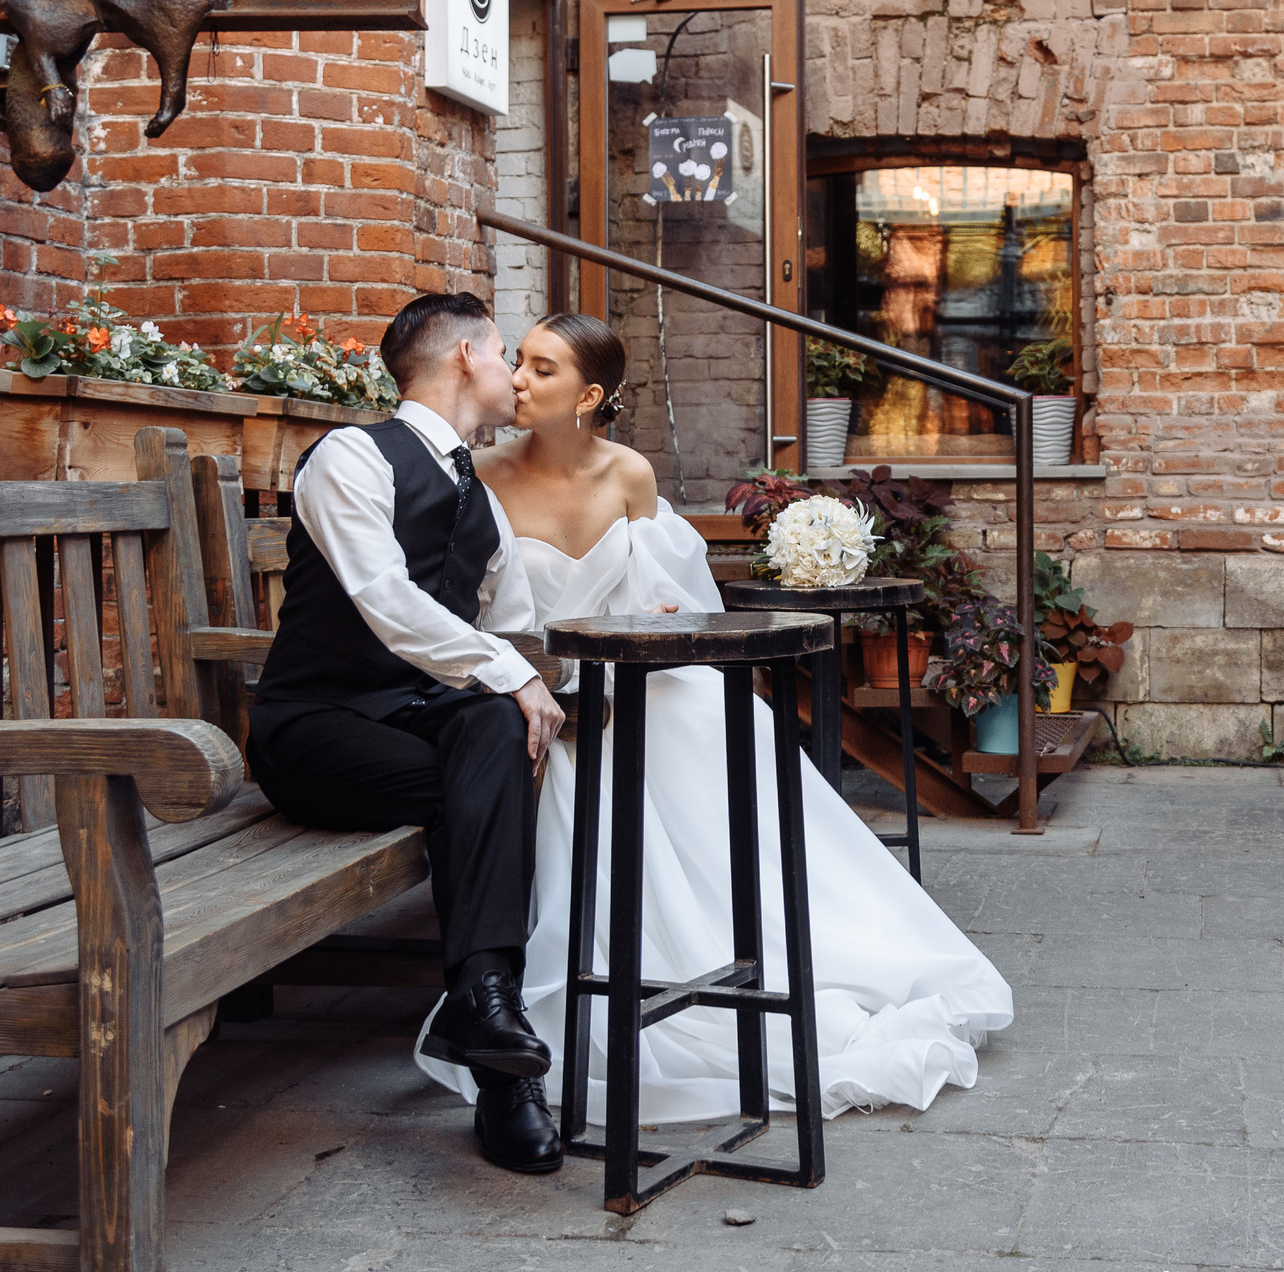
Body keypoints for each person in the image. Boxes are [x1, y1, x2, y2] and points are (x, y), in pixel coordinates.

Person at [415, 313, 1013, 1125]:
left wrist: (648, 630)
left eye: (541, 369)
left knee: (721, 721)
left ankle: (758, 957)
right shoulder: (479, 473)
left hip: (629, 678)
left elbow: (669, 602)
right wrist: (537, 682)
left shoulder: (629, 475)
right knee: (574, 779)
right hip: (535, 691)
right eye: (515, 361)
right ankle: (574, 989)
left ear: (589, 396)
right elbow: (468, 615)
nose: (517, 378)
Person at [244, 292, 569, 1176]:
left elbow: (514, 628)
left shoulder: (485, 502)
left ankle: (487, 1016)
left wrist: (586, 648)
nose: (511, 372)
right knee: (493, 770)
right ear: (466, 356)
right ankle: (502, 1056)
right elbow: (386, 602)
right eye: (505, 352)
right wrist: (513, 677)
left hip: (414, 729)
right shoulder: (350, 458)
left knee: (498, 740)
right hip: (316, 732)